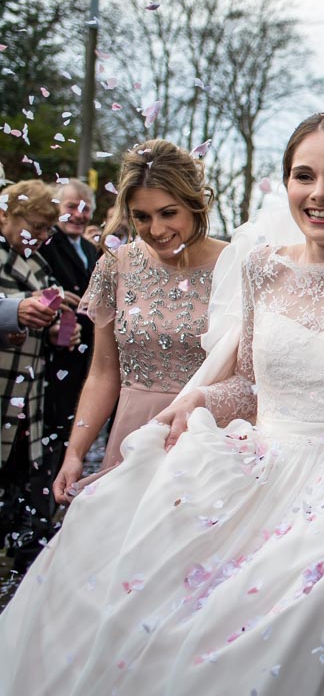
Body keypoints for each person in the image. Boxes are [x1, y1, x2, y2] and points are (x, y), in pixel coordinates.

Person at [0, 113, 324, 695]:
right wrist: (198, 397)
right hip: (255, 471)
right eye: (304, 176)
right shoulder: (260, 266)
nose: (319, 194)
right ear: (287, 184)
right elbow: (249, 386)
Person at [50, 142, 228, 499]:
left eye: (168, 213)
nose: (156, 229)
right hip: (131, 435)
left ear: (195, 203)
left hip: (207, 438)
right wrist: (75, 453)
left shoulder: (236, 264)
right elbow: (102, 374)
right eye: (142, 217)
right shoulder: (115, 266)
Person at [0, 179, 78, 573]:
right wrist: (17, 311)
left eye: (47, 230)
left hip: (26, 395)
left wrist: (61, 328)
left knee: (18, 480)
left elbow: (52, 329)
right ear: (4, 215)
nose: (41, 237)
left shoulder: (40, 264)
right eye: (33, 226)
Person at [36, 180, 101, 529]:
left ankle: (55, 503)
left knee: (68, 431)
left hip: (83, 357)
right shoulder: (46, 244)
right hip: (48, 355)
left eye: (86, 209)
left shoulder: (91, 251)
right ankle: (40, 512)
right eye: (72, 206)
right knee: (47, 435)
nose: (79, 215)